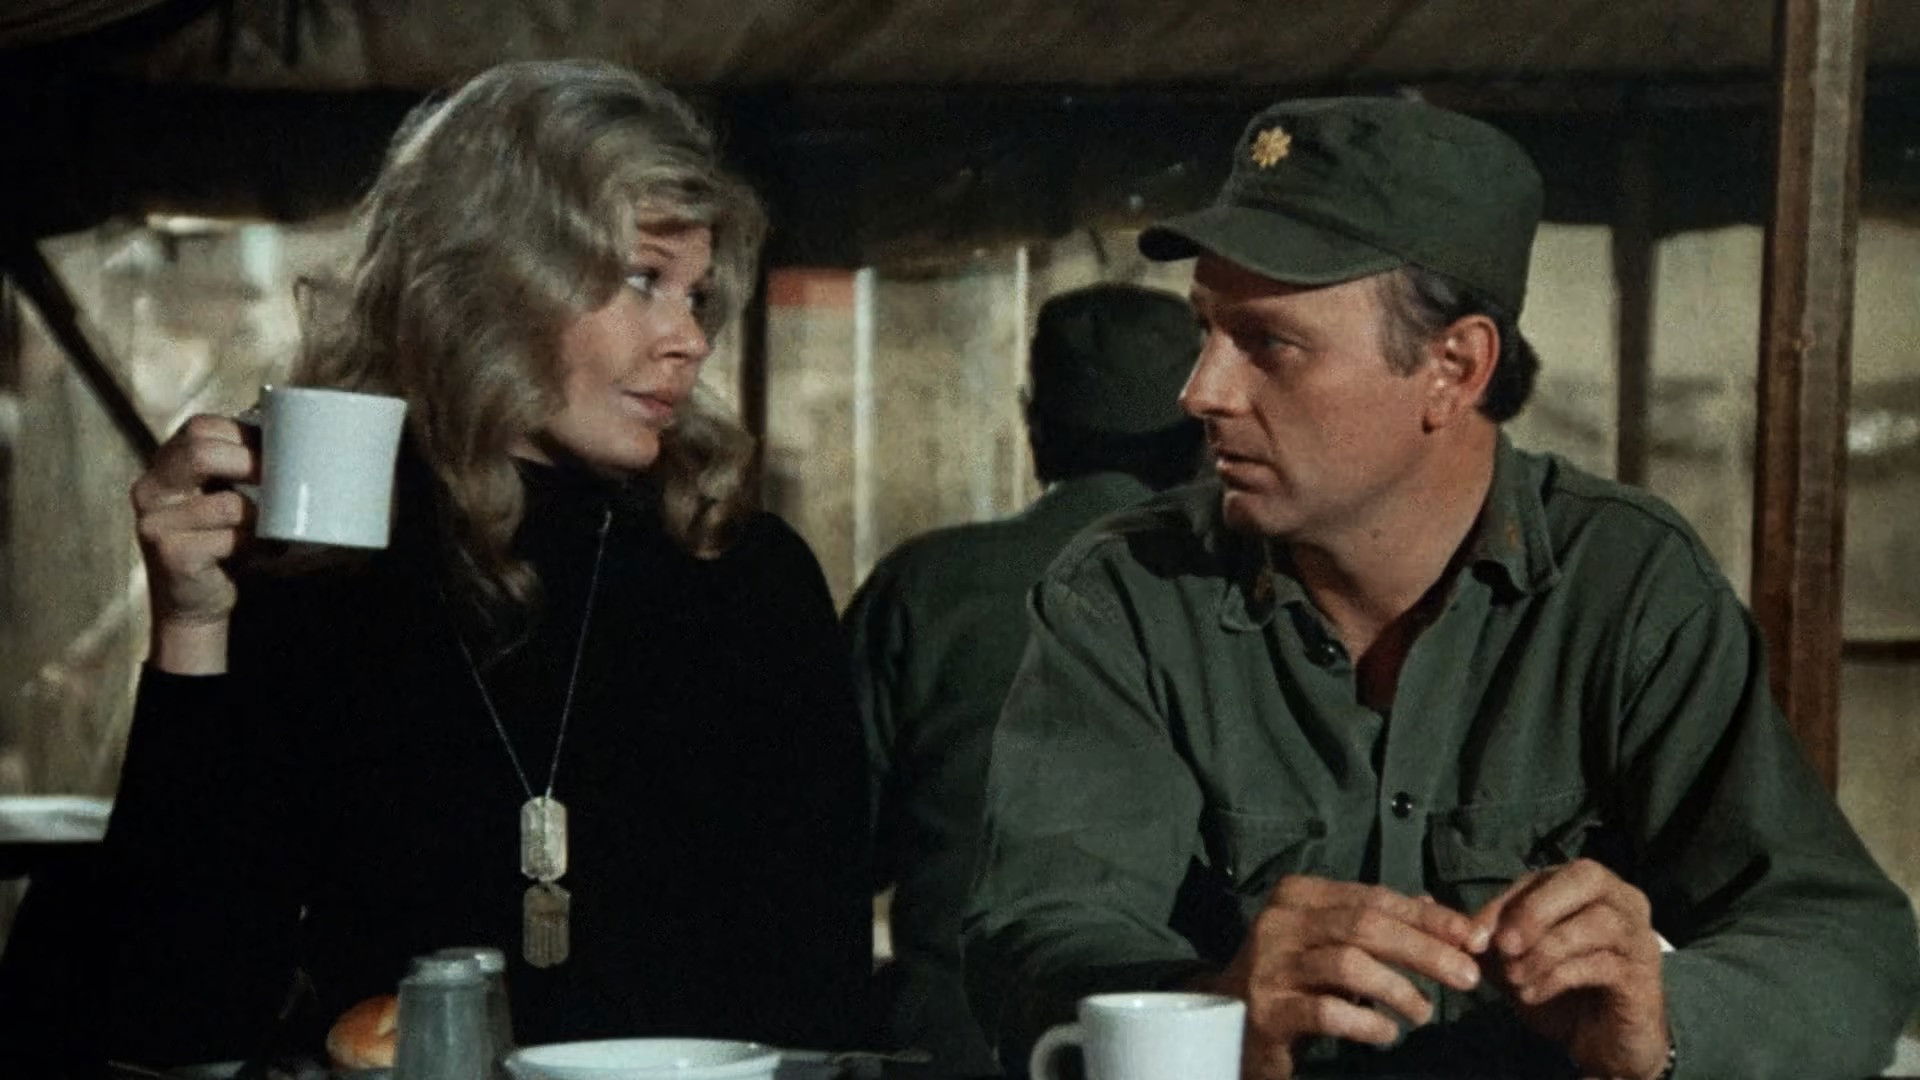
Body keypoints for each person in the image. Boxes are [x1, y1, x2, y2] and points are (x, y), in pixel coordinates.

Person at [962, 97, 1920, 1080]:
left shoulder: (1624, 586)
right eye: (1207, 331)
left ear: (1453, 367)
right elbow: (1038, 941)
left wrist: (1665, 1018)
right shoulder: (1129, 593)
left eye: (1269, 344)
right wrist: (1211, 1013)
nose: (1201, 391)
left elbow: (1847, 944)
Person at [0, 59, 869, 1072]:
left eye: (699, 294)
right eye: (643, 279)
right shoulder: (318, 567)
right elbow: (177, 1017)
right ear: (494, 277)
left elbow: (824, 1001)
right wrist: (192, 628)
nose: (689, 339)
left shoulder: (749, 576)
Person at [847, 283, 1204, 1077]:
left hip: (948, 1050)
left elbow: (835, 847)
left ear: (1034, 427)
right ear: (1203, 440)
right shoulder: (1239, 598)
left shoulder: (924, 585)